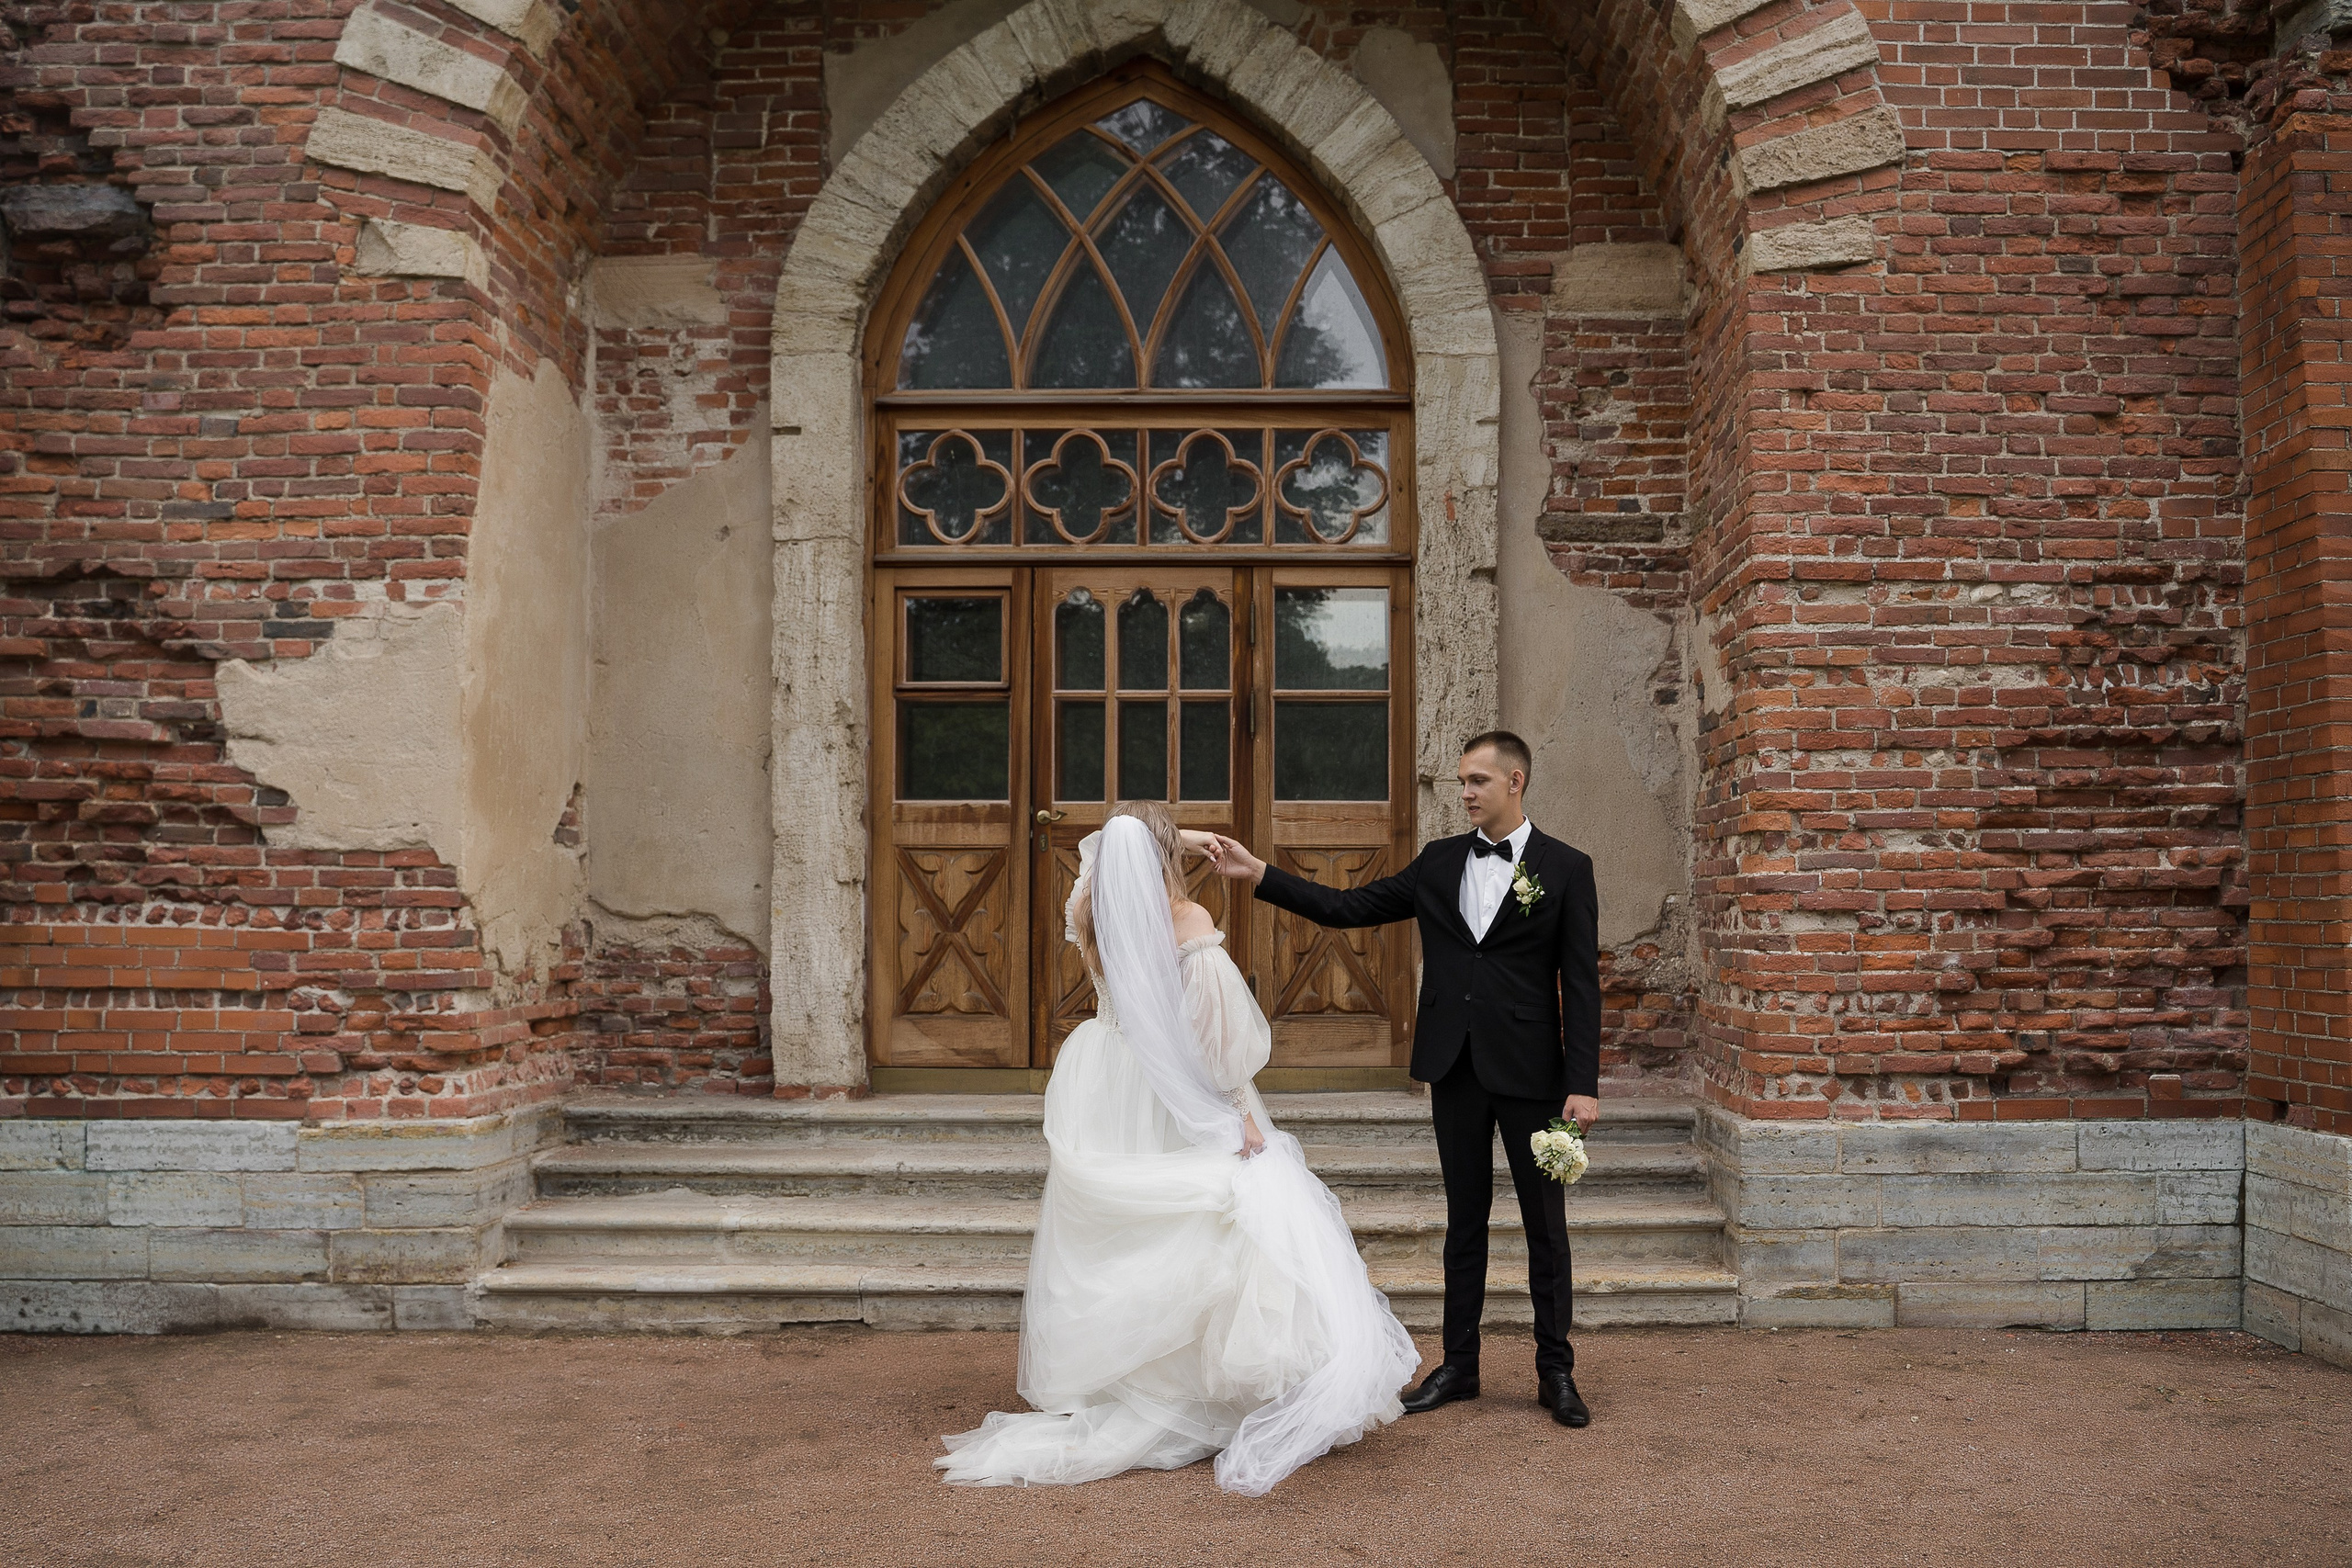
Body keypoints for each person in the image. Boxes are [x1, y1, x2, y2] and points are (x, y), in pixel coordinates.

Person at [935, 802, 1418, 1495]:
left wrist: (1162, 837)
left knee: (1125, 1235)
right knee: (1215, 1219)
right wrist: (1237, 1114)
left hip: (1104, 1076)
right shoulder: (1185, 920)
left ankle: (1126, 1379)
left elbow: (1096, 852)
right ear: (1165, 855)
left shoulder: (1090, 910)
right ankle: (1195, 1390)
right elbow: (1213, 1040)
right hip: (1168, 1087)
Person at [1203, 730, 1600, 1428]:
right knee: (1464, 1221)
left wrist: (1583, 1081)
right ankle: (1459, 1365)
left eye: (1478, 780)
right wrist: (1259, 872)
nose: (1466, 792)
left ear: (1515, 782)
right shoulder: (1440, 861)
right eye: (1462, 781)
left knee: (1546, 1227)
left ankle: (1555, 1371)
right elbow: (1347, 907)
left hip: (1533, 1071)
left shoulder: (1567, 867)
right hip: (1454, 1067)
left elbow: (1582, 982)